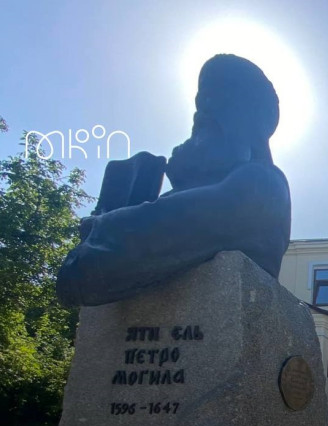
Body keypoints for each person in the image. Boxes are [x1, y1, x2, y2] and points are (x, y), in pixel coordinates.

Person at [57, 54, 291, 306]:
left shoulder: (262, 183)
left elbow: (89, 268)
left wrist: (97, 225)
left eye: (214, 104)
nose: (201, 113)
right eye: (201, 104)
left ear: (248, 123)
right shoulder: (211, 186)